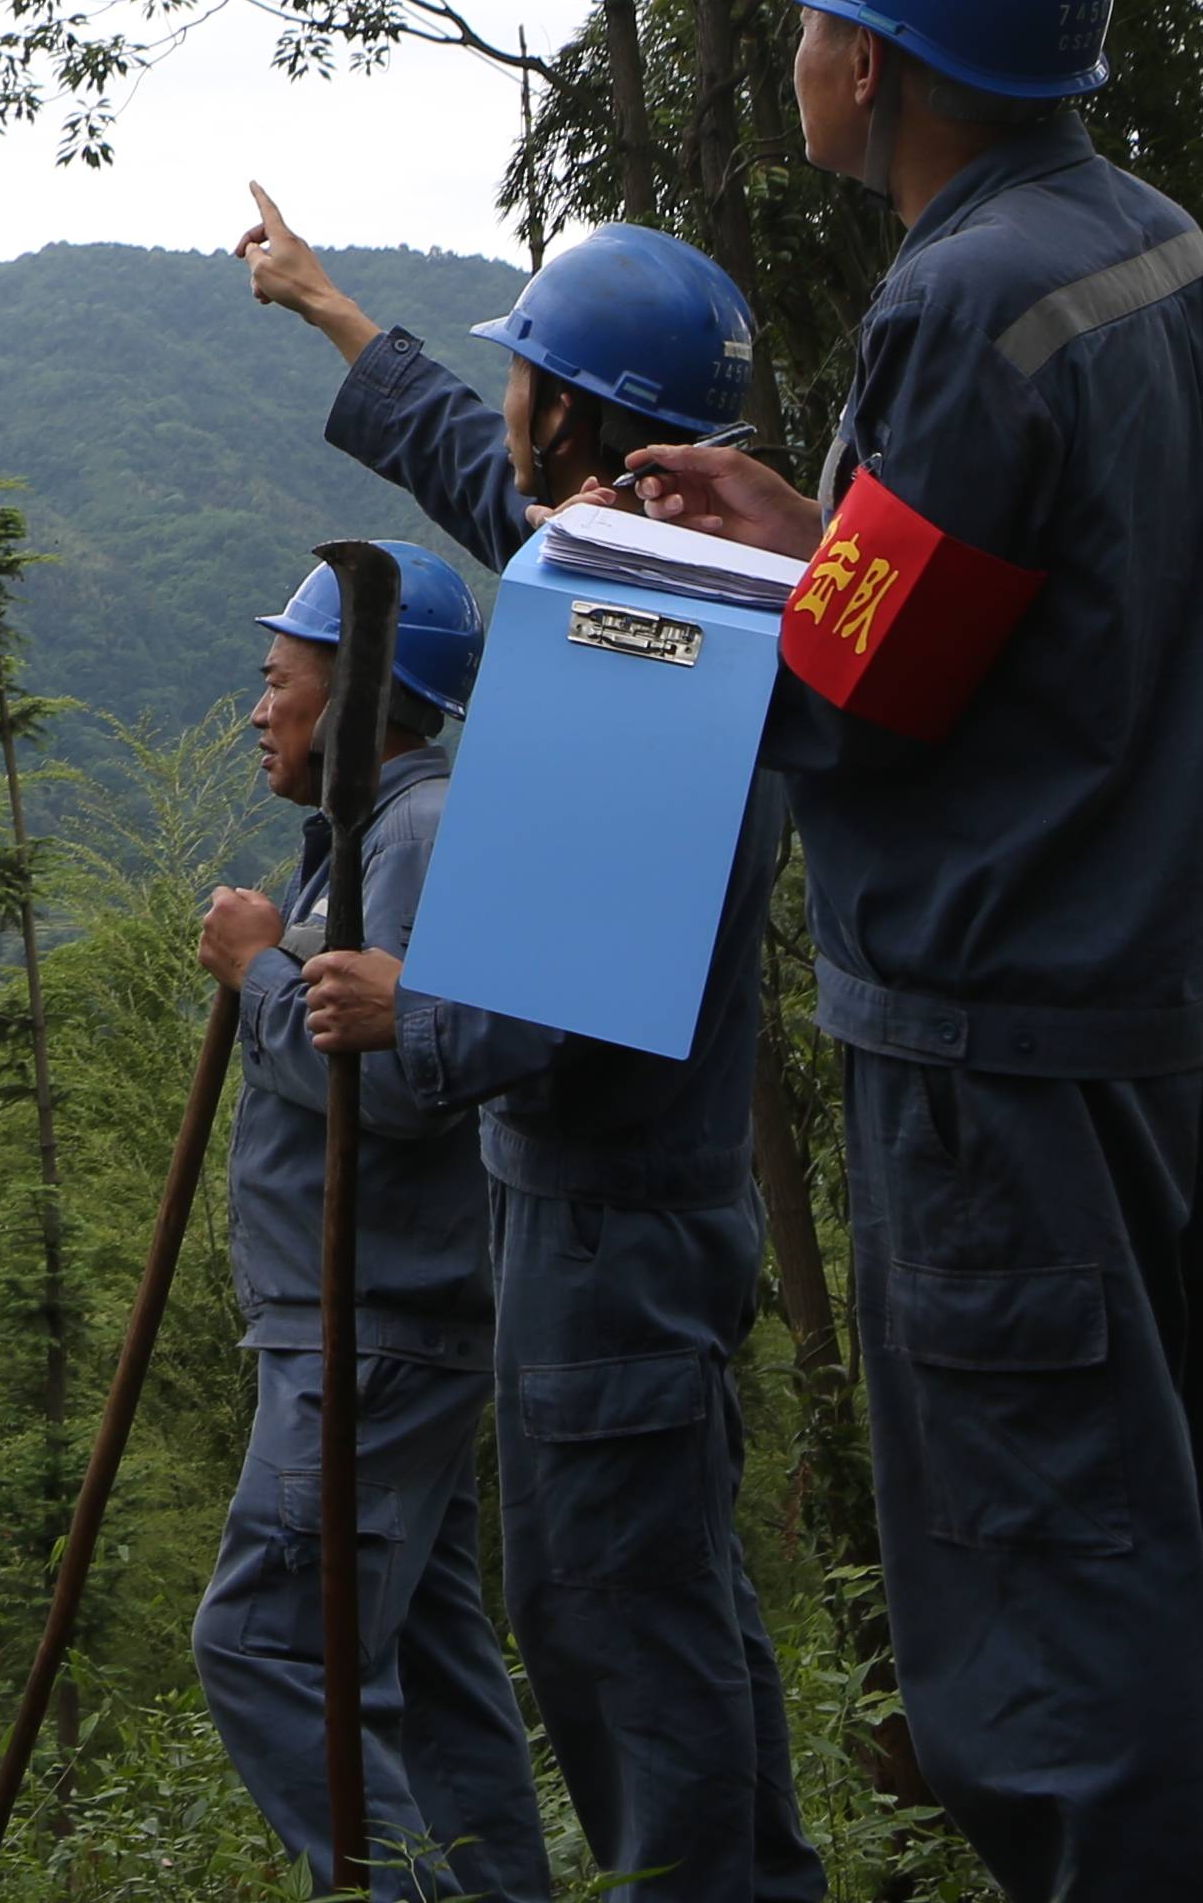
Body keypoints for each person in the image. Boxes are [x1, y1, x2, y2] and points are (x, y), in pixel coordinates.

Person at [620, 0, 1203, 1901]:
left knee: (1058, 1595)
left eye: (812, 15)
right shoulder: (1147, 243)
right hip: (1163, 1011)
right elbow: (1000, 595)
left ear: (876, 63)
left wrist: (673, 599)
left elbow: (860, 708)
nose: (793, 44)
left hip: (998, 1043)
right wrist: (810, 534)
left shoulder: (960, 303)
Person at [244, 206, 826, 1903]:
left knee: (624, 1643)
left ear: (573, 415)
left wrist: (373, 1004)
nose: (505, 410)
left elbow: (534, 1004)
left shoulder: (634, 636)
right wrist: (336, 317)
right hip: (642, 1220)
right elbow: (479, 476)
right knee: (669, 1621)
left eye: (526, 380)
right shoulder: (669, 556)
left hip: (604, 1227)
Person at [188, 545, 555, 1903]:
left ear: (358, 695)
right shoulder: (375, 834)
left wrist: (258, 974)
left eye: (278, 680)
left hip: (372, 1328)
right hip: (378, 1320)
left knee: (267, 1643)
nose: (257, 707)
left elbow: (398, 1077)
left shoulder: (417, 833)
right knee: (434, 1673)